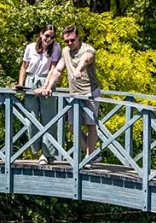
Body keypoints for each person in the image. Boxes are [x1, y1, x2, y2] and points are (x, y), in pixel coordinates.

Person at [36, 25, 100, 157]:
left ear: (78, 37)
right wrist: (48, 87)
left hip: (90, 93)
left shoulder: (87, 49)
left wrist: (79, 69)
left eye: (72, 40)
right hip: (74, 94)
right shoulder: (65, 51)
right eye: (66, 41)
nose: (69, 43)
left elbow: (86, 58)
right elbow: (58, 70)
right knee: (72, 127)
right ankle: (93, 154)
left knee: (91, 125)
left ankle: (90, 157)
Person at [15, 24, 61, 166]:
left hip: (46, 80)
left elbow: (53, 68)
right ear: (41, 34)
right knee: (31, 119)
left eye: (52, 37)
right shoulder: (30, 47)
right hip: (30, 81)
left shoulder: (56, 47)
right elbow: (24, 66)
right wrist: (20, 84)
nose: (49, 39)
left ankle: (47, 154)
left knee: (48, 118)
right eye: (47, 35)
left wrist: (45, 87)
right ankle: (37, 148)